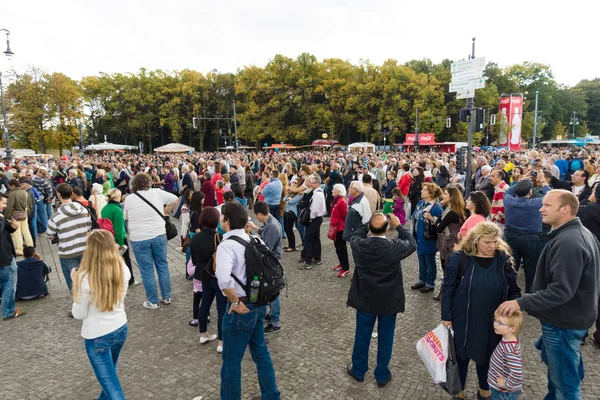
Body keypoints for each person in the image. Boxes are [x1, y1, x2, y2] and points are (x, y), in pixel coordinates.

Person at [498, 190, 600, 399]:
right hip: (569, 320)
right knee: (562, 377)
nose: (540, 209)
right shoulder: (576, 234)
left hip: (564, 323)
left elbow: (561, 290)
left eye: (547, 205)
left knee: (566, 385)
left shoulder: (569, 241)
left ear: (565, 209)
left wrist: (521, 302)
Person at [442, 222, 521, 400]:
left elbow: (514, 290)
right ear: (476, 240)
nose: (492, 246)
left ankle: (485, 391)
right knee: (460, 357)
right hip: (464, 317)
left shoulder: (503, 260)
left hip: (493, 321)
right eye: (487, 242)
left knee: (488, 357)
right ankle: (459, 392)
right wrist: (446, 315)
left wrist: (514, 306)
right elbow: (447, 288)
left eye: (495, 241)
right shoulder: (460, 258)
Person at [215, 201, 280, 400]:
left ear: (226, 221)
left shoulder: (227, 246)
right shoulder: (255, 240)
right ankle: (271, 395)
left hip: (241, 305)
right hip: (259, 304)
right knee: (261, 353)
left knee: (231, 361)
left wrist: (234, 302)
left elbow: (224, 280)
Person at [346, 213, 417, 387]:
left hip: (365, 298)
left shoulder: (361, 246)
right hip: (389, 300)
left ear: (370, 228)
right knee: (386, 337)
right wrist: (399, 225)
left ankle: (359, 369)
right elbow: (412, 243)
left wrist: (368, 223)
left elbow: (354, 236)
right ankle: (382, 374)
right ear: (387, 229)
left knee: (362, 335)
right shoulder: (394, 247)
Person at [71, 229, 130, 400]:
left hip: (98, 335)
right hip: (120, 328)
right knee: (109, 379)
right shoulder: (122, 267)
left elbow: (78, 313)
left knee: (111, 387)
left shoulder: (84, 276)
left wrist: (76, 284)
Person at [124, 173, 178, 309]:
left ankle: (153, 301)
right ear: (149, 182)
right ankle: (167, 296)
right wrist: (166, 211)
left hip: (139, 237)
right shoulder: (157, 193)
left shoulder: (130, 199)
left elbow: (126, 217)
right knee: (162, 265)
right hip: (158, 233)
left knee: (147, 270)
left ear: (134, 185)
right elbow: (175, 199)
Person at [503, 174, 550, 293]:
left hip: (510, 237)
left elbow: (509, 190)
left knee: (510, 268)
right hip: (531, 239)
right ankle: (530, 298)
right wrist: (543, 182)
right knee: (532, 271)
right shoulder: (536, 203)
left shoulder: (508, 200)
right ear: (530, 192)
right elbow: (550, 195)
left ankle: (508, 294)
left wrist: (521, 180)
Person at [190, 207, 227, 353]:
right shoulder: (219, 238)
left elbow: (193, 259)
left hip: (203, 275)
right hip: (218, 276)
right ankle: (221, 342)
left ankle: (203, 333)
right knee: (221, 308)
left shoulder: (195, 238)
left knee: (204, 303)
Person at [47, 183, 92, 292]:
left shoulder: (56, 217)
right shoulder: (84, 210)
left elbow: (49, 233)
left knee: (74, 284)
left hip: (67, 253)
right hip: (85, 249)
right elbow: (89, 226)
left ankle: (79, 305)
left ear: (59, 195)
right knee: (89, 280)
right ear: (72, 194)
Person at [248, 201, 283, 334]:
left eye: (256, 215)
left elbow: (266, 248)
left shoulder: (272, 226)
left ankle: (276, 322)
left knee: (272, 292)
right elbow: (264, 233)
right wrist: (254, 227)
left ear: (260, 214)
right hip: (271, 261)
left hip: (271, 263)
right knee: (271, 291)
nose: (255, 217)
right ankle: (273, 314)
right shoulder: (270, 222)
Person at [430, 185, 466, 301]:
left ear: (451, 197)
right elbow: (439, 224)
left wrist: (437, 222)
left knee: (448, 268)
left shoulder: (452, 213)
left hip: (448, 242)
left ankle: (446, 293)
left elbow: (438, 228)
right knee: (447, 267)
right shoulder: (448, 210)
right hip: (446, 240)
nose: (442, 196)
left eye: (445, 194)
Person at [101, 189, 139, 286]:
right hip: (119, 237)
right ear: (117, 197)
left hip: (108, 238)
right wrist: (121, 243)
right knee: (126, 259)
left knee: (112, 260)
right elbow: (118, 228)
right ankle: (130, 280)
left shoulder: (104, 208)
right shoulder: (117, 210)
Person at [411, 182, 443, 294]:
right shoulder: (421, 203)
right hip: (419, 236)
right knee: (421, 259)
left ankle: (430, 283)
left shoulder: (436, 208)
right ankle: (422, 279)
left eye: (424, 190)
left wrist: (431, 218)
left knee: (429, 260)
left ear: (430, 193)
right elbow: (414, 215)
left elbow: (440, 224)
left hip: (429, 238)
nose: (421, 191)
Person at [487, 310, 524, 400]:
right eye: (495, 320)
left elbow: (517, 373)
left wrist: (506, 384)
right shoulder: (507, 339)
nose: (495, 324)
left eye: (500, 323)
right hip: (499, 388)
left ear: (513, 328)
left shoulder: (510, 349)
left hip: (503, 391)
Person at [0, 192, 25, 319]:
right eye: (3, 203)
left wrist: (12, 227)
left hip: (5, 255)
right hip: (4, 258)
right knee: (9, 284)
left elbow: (4, 229)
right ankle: (8, 311)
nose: (5, 206)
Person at [299, 175, 326, 269]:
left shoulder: (317, 194)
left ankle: (308, 261)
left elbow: (314, 209)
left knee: (308, 239)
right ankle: (317, 257)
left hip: (314, 219)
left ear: (317, 183)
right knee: (315, 238)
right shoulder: (317, 192)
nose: (310, 184)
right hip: (316, 218)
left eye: (312, 183)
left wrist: (310, 218)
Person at [5, 179, 34, 256]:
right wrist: (27, 213)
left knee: (16, 233)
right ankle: (30, 245)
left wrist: (6, 217)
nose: (9, 187)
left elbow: (9, 207)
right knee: (26, 231)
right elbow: (30, 204)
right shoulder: (25, 193)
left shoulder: (12, 194)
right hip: (24, 215)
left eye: (9, 186)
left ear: (13, 185)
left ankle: (19, 250)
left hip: (14, 216)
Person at [330, 184, 349, 277]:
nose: (332, 191)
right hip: (335, 227)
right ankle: (341, 264)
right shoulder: (336, 200)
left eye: (334, 189)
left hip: (340, 228)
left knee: (342, 248)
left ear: (339, 191)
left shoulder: (341, 202)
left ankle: (346, 268)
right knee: (337, 248)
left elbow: (345, 215)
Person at [282, 182, 302, 252]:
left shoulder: (299, 194)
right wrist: (289, 194)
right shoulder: (292, 194)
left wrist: (289, 199)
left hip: (292, 213)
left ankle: (292, 246)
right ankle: (289, 244)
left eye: (295, 184)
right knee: (286, 229)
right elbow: (284, 199)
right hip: (286, 212)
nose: (293, 185)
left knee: (289, 229)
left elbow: (292, 202)